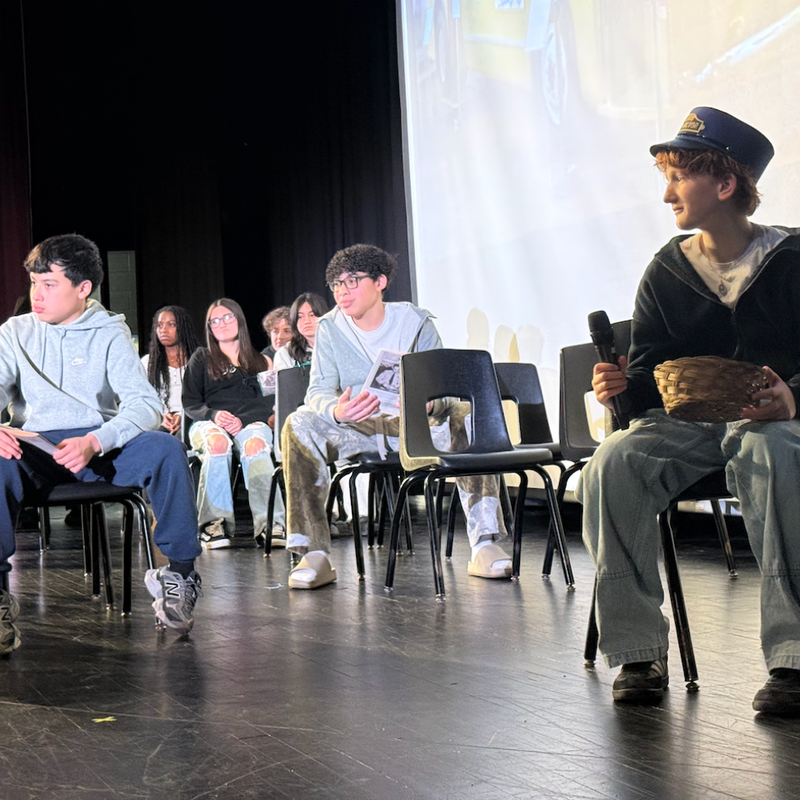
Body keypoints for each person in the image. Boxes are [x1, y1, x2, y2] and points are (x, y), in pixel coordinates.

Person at [576, 107, 800, 716]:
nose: (666, 192)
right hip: (689, 425)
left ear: (725, 184)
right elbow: (653, 377)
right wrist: (622, 386)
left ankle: (794, 658)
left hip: (773, 423)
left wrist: (793, 397)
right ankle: (639, 651)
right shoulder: (669, 268)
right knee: (613, 462)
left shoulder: (792, 259)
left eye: (678, 176)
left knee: (773, 449)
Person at [0, 234, 202, 651]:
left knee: (166, 449)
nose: (36, 294)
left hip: (99, 446)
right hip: (35, 449)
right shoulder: (14, 332)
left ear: (83, 288)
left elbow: (145, 403)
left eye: (49, 284)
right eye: (34, 283)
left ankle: (179, 574)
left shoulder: (109, 331)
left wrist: (98, 438)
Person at [281, 244, 511, 589]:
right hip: (359, 427)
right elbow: (318, 390)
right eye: (336, 285)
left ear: (380, 282)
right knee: (299, 422)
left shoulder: (415, 322)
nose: (343, 292)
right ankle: (313, 552)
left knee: (466, 412)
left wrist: (430, 404)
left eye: (353, 281)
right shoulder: (329, 328)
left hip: (416, 424)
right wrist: (336, 410)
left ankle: (484, 543)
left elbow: (448, 387)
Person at [183, 298, 284, 549]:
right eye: (215, 320)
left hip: (251, 422)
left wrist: (244, 420)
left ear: (239, 320)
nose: (222, 324)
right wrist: (214, 415)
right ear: (209, 328)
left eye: (227, 317)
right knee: (217, 444)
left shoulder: (263, 362)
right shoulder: (201, 358)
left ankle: (271, 523)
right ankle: (213, 524)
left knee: (256, 446)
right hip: (209, 421)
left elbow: (269, 405)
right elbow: (191, 403)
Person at [141, 306, 200, 438]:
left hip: (192, 418)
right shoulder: (148, 363)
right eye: (159, 325)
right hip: (160, 420)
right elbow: (142, 398)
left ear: (183, 328)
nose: (164, 330)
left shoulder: (198, 361)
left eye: (171, 325)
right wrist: (161, 415)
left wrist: (182, 415)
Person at [273, 293, 329, 371]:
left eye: (312, 315)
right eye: (300, 317)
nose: (306, 321)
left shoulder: (339, 346)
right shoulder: (285, 354)